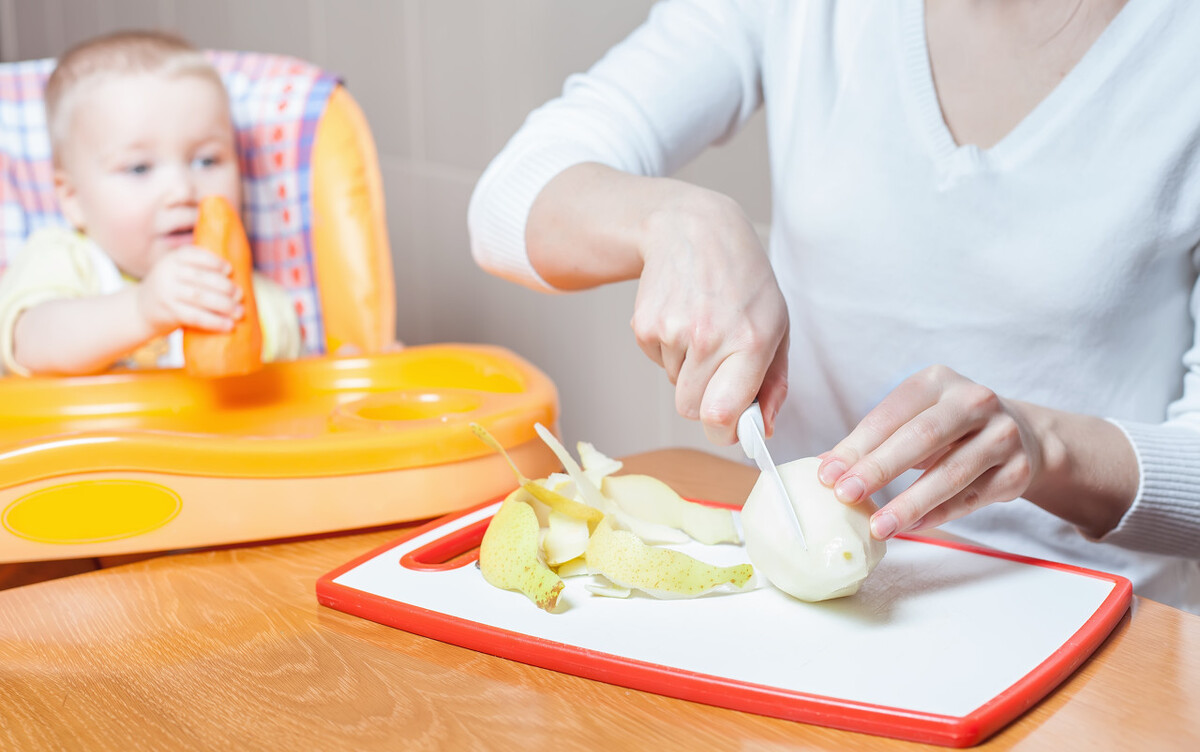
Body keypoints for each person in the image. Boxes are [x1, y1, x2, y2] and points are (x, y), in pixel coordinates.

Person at [468, 0, 1200, 612]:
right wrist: (670, 219)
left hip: (1100, 635)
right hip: (821, 611)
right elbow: (506, 202)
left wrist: (1045, 448)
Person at [0, 30, 301, 377]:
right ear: (73, 199)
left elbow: (294, 403)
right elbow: (32, 345)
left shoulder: (257, 299)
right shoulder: (66, 260)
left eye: (206, 161)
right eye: (139, 168)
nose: (182, 191)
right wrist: (141, 311)